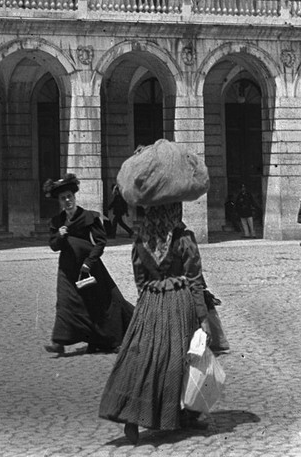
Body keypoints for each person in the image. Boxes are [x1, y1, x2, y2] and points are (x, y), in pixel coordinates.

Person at [99, 139, 213, 444]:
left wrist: (147, 299)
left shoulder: (141, 240)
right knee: (180, 359)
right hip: (179, 304)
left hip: (149, 302)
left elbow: (138, 276)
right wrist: (202, 317)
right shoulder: (183, 238)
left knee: (141, 357)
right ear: (174, 210)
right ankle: (183, 414)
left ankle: (131, 418)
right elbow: (195, 278)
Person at [43, 173, 134, 356]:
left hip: (89, 268)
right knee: (65, 302)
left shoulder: (88, 216)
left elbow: (100, 242)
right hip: (67, 270)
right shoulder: (57, 222)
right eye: (63, 198)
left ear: (74, 197)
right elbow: (54, 246)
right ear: (59, 202)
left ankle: (115, 338)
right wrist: (59, 236)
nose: (67, 200)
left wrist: (89, 262)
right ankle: (59, 342)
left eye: (69, 196)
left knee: (102, 303)